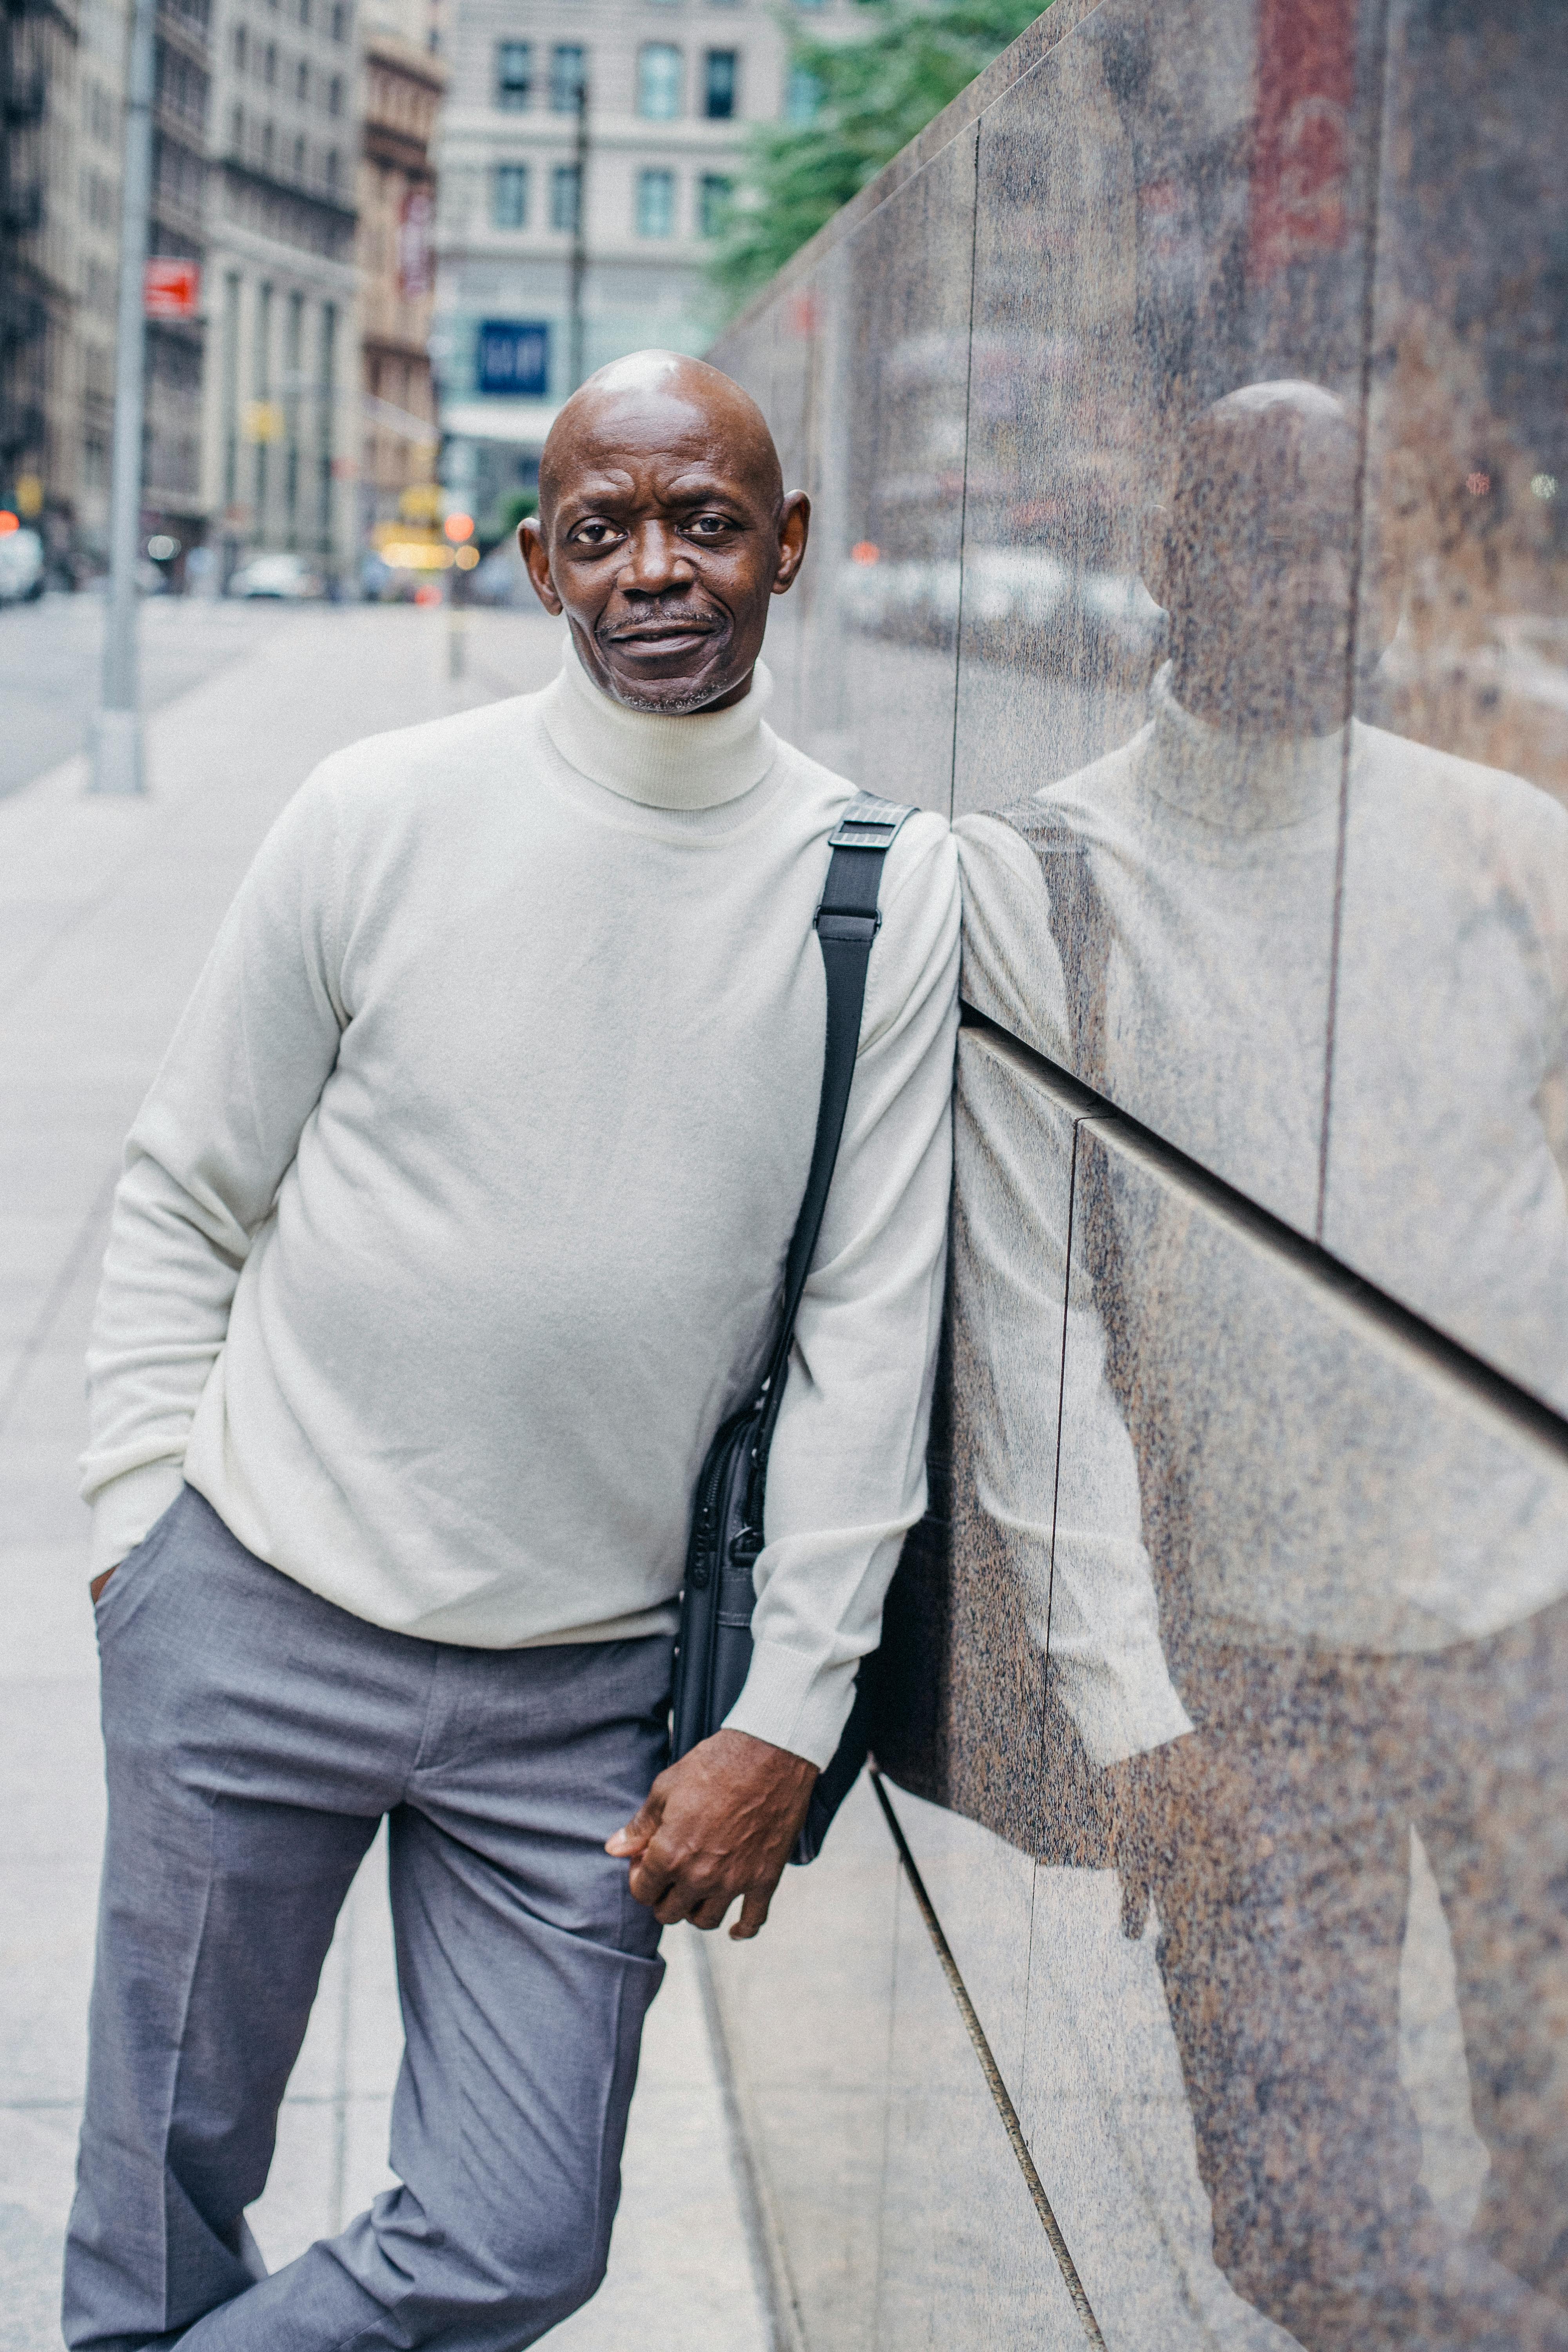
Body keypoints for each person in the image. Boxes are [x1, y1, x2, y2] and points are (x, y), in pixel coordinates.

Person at [65, 350, 960, 2350]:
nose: (659, 569)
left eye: (706, 523)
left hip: (583, 1700)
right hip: (256, 1605)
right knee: (162, 2191)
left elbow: (868, 1335)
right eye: (605, 532)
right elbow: (189, 1181)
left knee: (518, 2235)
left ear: (786, 546)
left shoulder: (880, 895)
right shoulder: (377, 810)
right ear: (544, 566)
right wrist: (142, 1536)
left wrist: (785, 1711)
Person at [955, 382, 1568, 2348]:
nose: (1316, 588)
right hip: (1246, 1671)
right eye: (1264, 535)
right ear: (1168, 557)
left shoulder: (1505, 843)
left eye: (1347, 547)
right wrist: (1131, 1717)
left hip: (1526, 1629)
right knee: (1301, 2222)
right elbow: (1029, 1334)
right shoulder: (1060, 876)